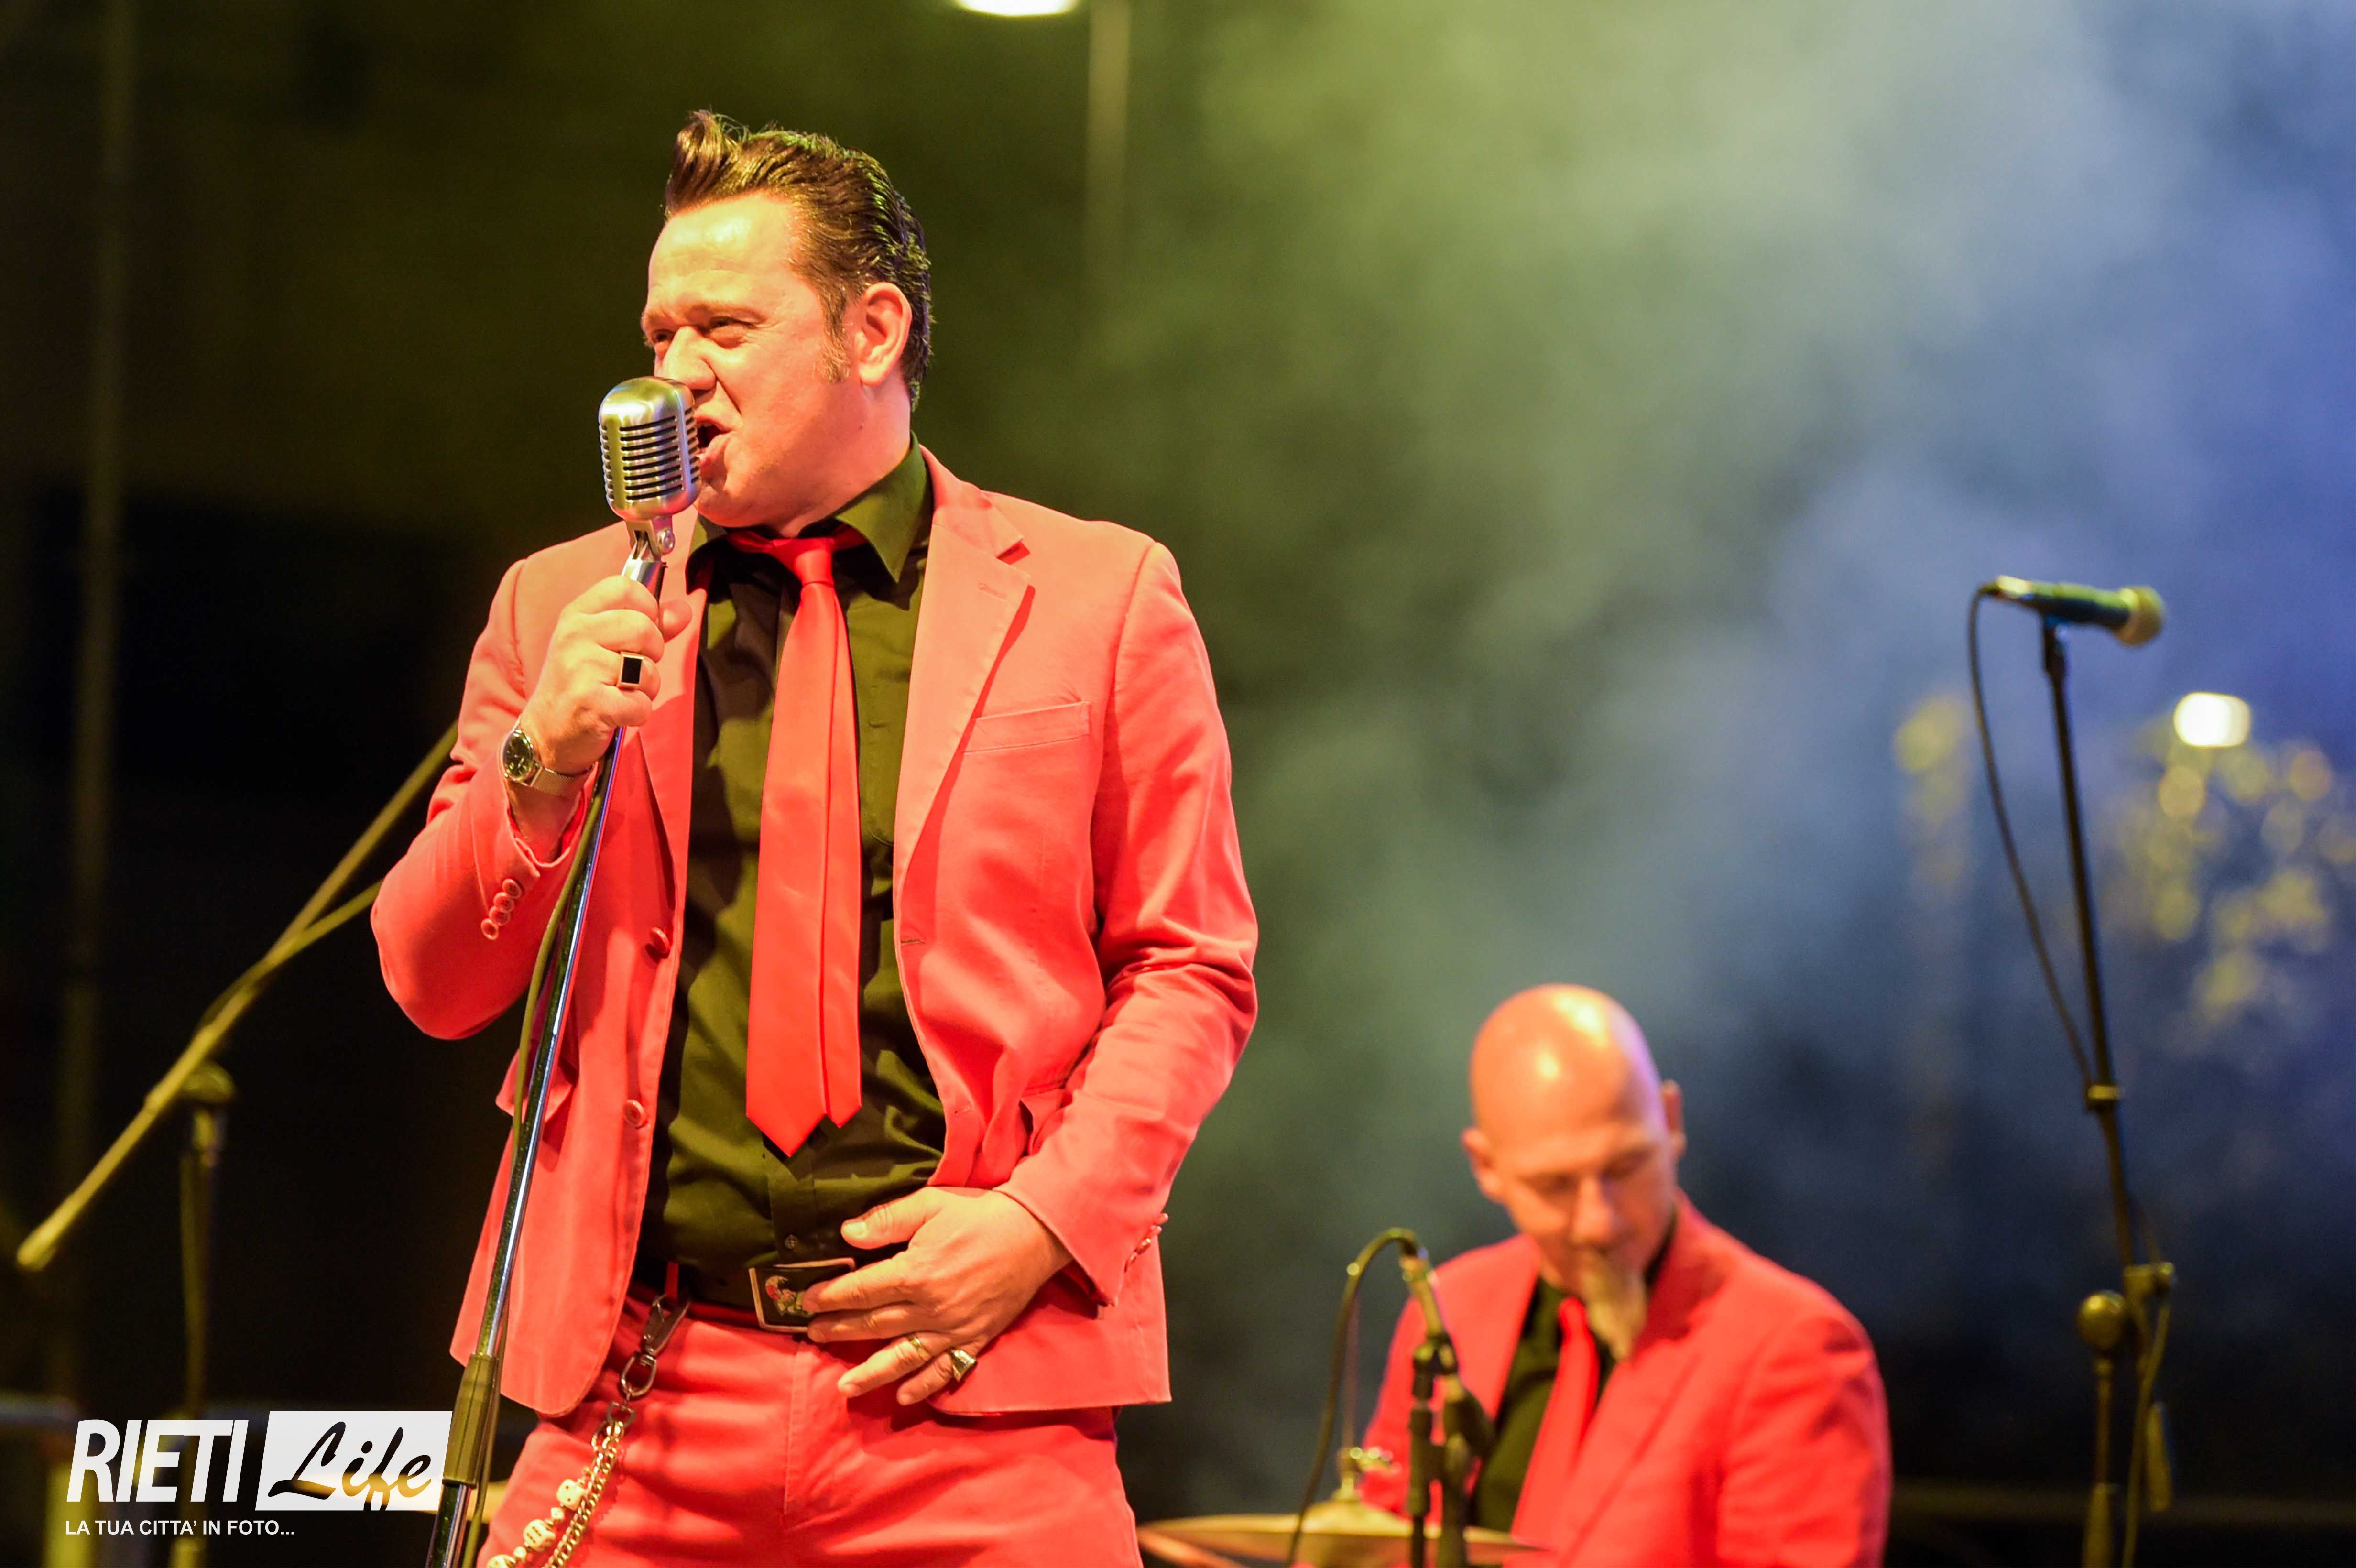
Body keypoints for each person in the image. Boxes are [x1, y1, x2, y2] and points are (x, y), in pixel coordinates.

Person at [372, 111, 1256, 1566]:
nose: (674, 371)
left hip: (975, 1392)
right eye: (658, 333)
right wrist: (541, 759)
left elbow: (1190, 965)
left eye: (723, 327)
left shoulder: (1098, 599)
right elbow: (430, 980)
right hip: (639, 1392)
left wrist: (1042, 1222)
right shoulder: (561, 606)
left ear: (871, 332)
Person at [1359, 986, 1889, 1567]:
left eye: (1625, 1167)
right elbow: (1370, 1538)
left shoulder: (1792, 1347)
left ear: (1670, 1122)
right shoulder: (1452, 1306)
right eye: (1555, 1185)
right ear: (1486, 1166)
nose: (1598, 1222)